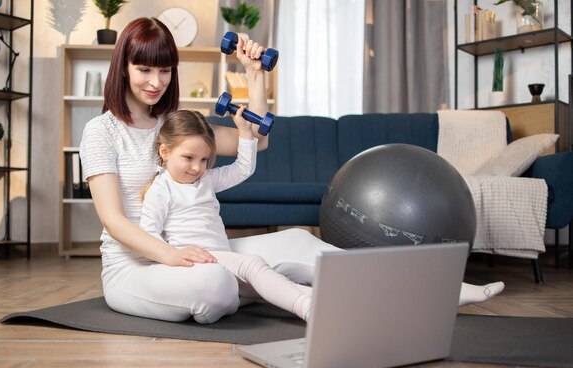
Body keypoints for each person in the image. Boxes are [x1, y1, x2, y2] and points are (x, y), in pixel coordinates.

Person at [79, 17, 503, 324]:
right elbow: (114, 220)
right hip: (136, 268)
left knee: (301, 243)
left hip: (200, 251)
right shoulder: (102, 131)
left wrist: (255, 76)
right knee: (215, 285)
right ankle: (283, 291)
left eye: (165, 70)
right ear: (124, 68)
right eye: (144, 69)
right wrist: (172, 256)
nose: (156, 81)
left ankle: (436, 291)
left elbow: (256, 139)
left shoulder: (177, 126)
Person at [139, 109, 313, 321]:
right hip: (200, 264)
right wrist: (175, 254)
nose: (197, 167)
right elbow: (148, 234)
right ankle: (307, 309)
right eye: (188, 158)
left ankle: (323, 297)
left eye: (204, 159)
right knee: (253, 264)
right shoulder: (160, 189)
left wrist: (245, 131)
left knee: (276, 277)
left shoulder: (206, 181)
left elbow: (243, 169)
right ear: (165, 152)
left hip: (222, 258)